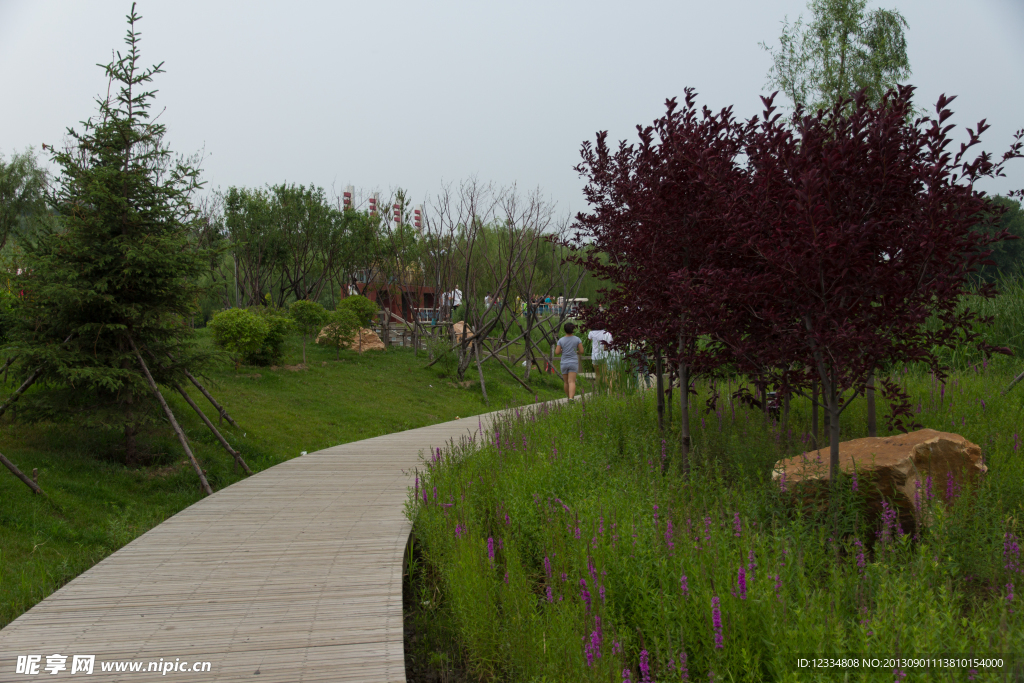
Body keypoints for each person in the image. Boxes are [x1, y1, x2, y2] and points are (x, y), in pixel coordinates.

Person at [554, 322, 585, 400]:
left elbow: (557, 352)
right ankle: (571, 398)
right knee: (572, 382)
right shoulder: (577, 339)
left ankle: (568, 397)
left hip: (564, 363)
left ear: (565, 330)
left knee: (566, 382)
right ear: (573, 329)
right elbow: (581, 351)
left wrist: (562, 350)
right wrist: (576, 351)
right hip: (573, 362)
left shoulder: (561, 340)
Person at [587, 327, 614, 391]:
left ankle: (599, 389)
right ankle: (604, 389)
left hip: (595, 356)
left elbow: (589, 339)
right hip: (604, 356)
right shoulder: (607, 333)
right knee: (604, 374)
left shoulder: (591, 333)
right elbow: (610, 343)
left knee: (597, 374)